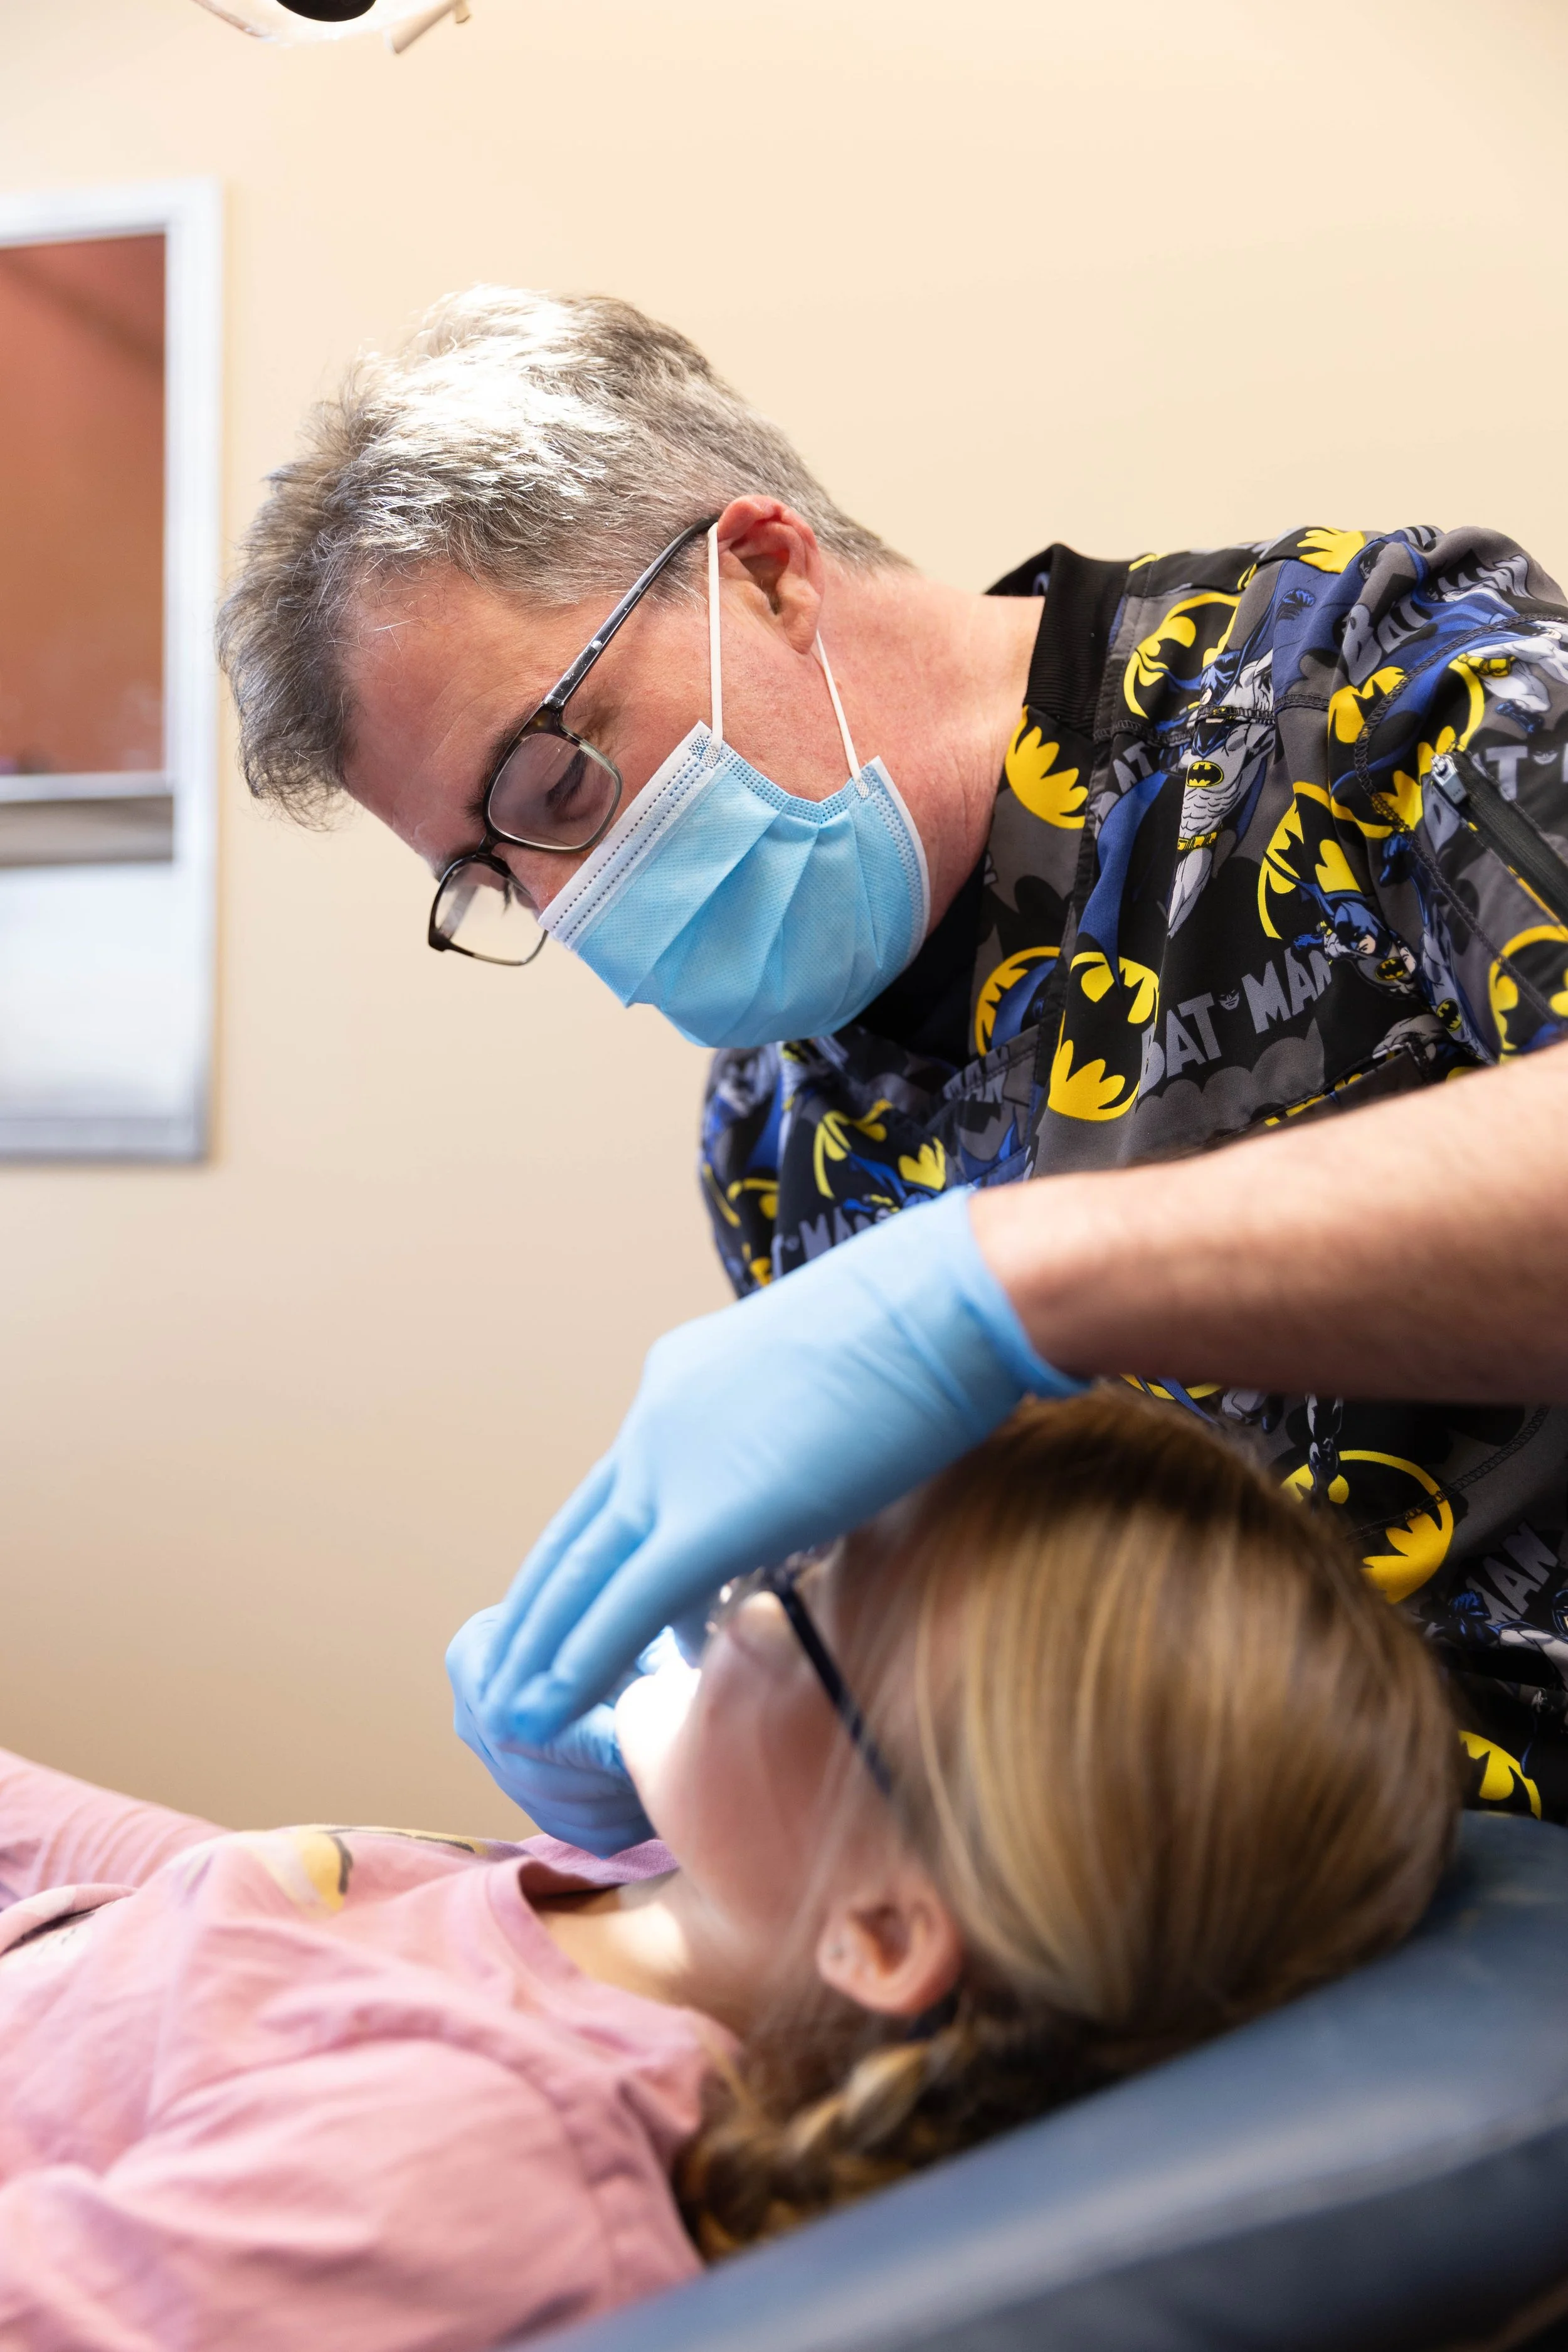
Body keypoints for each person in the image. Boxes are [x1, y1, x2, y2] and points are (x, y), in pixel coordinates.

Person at [218, 288, 1568, 1828]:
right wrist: (707, 1743)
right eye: (492, 874)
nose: (568, 907)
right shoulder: (779, 1124)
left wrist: (1005, 1281)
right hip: (1191, 1908)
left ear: (766, 573)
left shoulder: (1366, 680)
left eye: (555, 783)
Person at [0, 1394, 1457, 2345]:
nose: (726, 1590)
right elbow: (229, 1937)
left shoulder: (487, 2154)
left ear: (882, 1932)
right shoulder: (637, 1897)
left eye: (805, 1597)